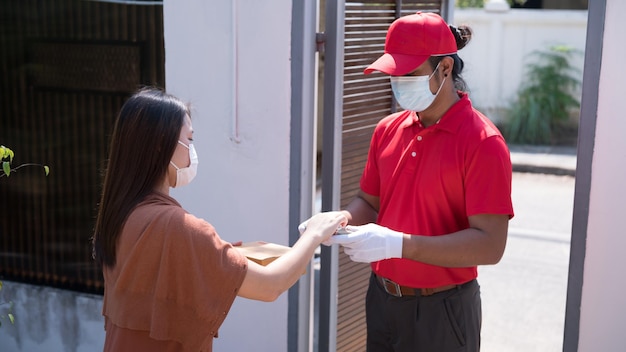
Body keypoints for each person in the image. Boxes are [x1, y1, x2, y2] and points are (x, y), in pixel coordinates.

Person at [92, 87, 347, 352]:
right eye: (189, 140)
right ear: (161, 146)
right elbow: (271, 285)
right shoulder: (177, 227)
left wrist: (222, 255)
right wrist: (314, 234)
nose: (192, 150)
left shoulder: (120, 213)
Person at [325, 12, 514, 351]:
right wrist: (340, 222)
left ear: (444, 69)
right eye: (393, 75)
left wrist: (399, 244)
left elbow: (490, 245)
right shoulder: (387, 130)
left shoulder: (482, 142)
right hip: (382, 299)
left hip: (444, 311)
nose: (399, 83)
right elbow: (370, 202)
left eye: (409, 74)